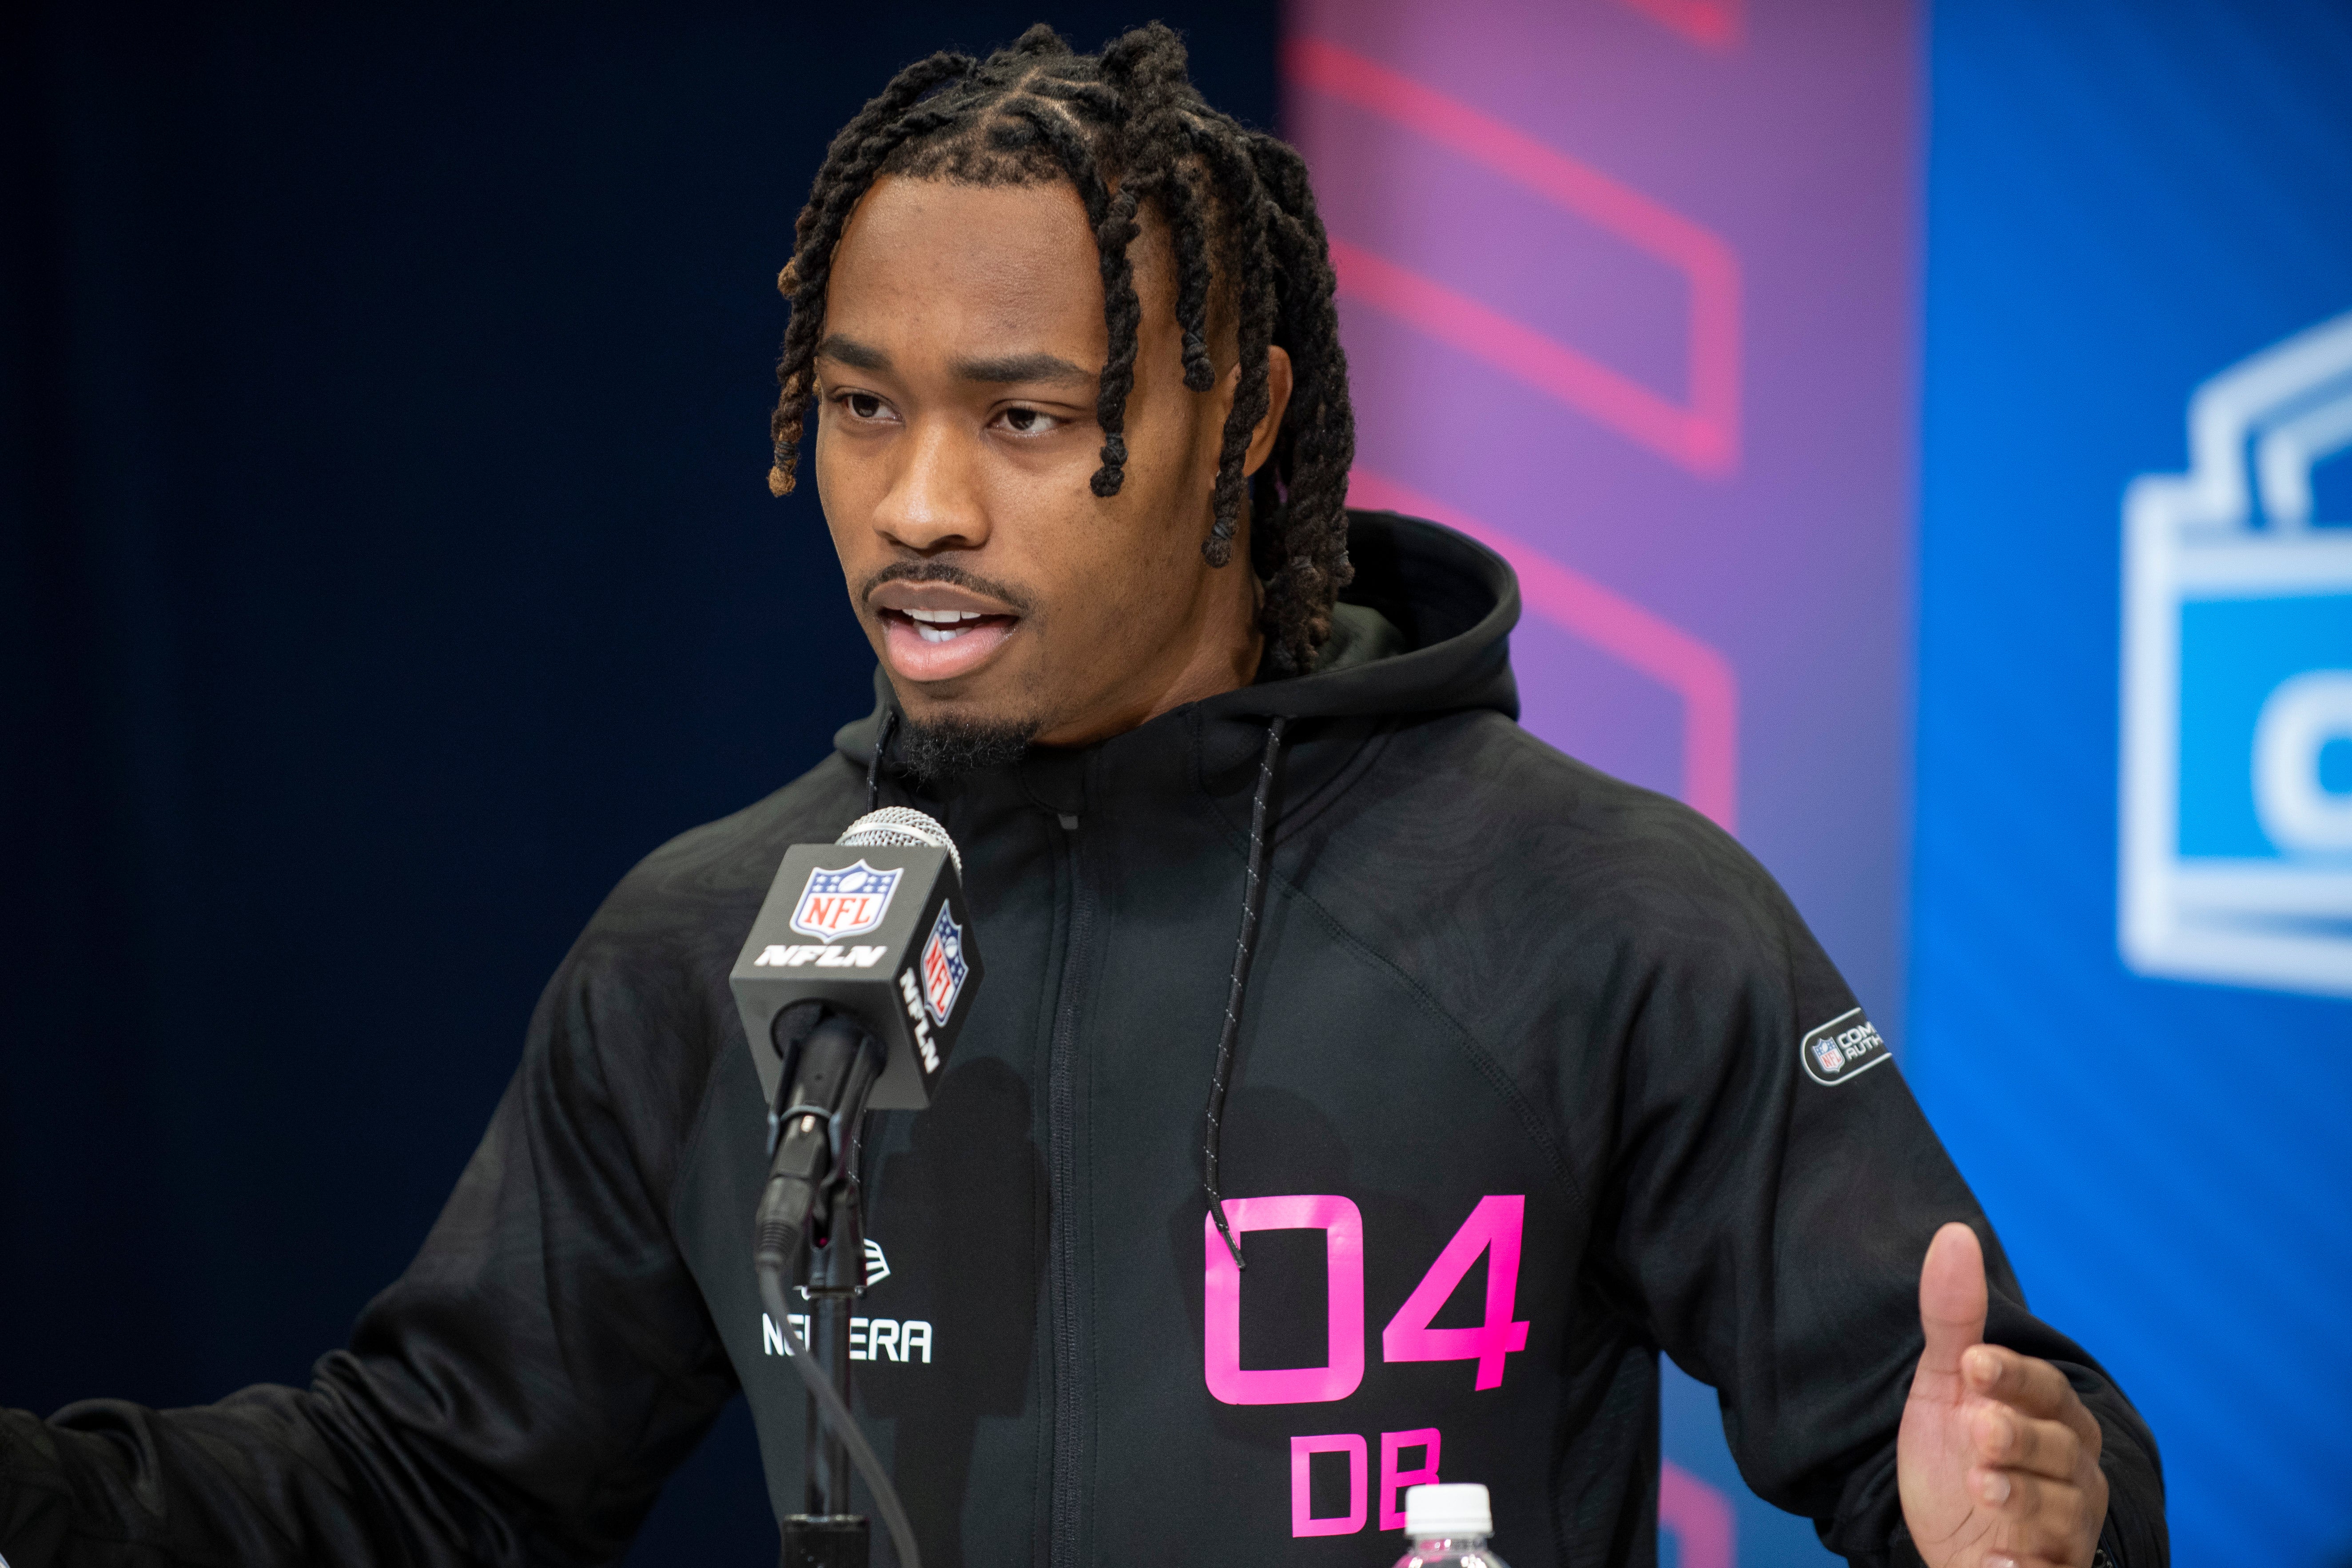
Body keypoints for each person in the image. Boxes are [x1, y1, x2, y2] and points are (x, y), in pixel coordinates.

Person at [0, 24, 2161, 1568]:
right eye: (860, 408)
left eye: (1026, 416)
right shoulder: (712, 937)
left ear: (1243, 425)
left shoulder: (1603, 915)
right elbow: (435, 1485)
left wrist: (2041, 1516)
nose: (914, 503)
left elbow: (1960, 1450)